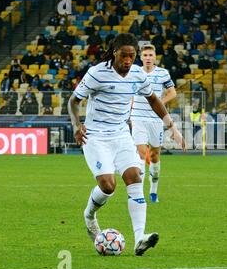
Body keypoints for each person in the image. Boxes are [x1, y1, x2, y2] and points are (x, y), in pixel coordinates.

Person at [68, 34, 185, 256]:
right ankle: (90, 215)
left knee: (134, 177)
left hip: (121, 134)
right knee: (108, 186)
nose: (128, 60)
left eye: (132, 56)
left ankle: (139, 237)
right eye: (124, 56)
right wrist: (76, 125)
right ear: (115, 53)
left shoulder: (138, 74)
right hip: (96, 136)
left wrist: (172, 127)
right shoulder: (97, 73)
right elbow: (74, 100)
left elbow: (153, 99)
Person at [130, 44, 177, 204]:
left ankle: (153, 191)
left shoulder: (163, 73)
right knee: (141, 154)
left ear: (155, 57)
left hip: (156, 120)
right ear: (141, 57)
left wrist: (158, 103)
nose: (148, 58)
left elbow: (173, 92)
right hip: (137, 117)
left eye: (151, 55)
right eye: (145, 55)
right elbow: (128, 92)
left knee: (154, 156)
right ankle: (139, 195)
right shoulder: (134, 72)